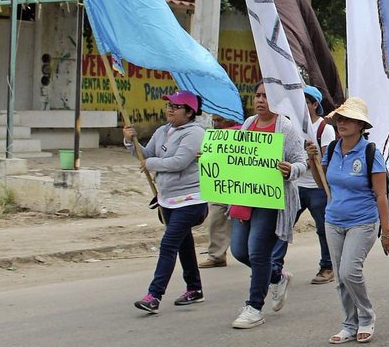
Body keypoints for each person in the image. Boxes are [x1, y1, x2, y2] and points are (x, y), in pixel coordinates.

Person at [228, 83, 308, 329]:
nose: (260, 100)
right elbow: (236, 156)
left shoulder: (285, 127)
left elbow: (301, 161)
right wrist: (211, 157)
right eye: (257, 95)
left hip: (271, 201)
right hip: (246, 198)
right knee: (239, 251)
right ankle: (276, 276)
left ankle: (254, 307)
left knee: (257, 252)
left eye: (266, 96)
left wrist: (290, 169)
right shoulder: (248, 124)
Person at [320, 97, 389, 344]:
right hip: (333, 221)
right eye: (340, 119)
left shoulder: (371, 153)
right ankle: (349, 324)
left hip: (363, 221)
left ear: (361, 125)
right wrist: (312, 160)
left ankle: (366, 317)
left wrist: (386, 232)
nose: (342, 123)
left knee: (349, 271)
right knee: (340, 278)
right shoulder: (332, 149)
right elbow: (325, 182)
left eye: (348, 119)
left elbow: (381, 195)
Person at [127, 91, 208, 313]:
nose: (170, 109)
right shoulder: (163, 131)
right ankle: (195, 288)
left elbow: (179, 162)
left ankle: (154, 295)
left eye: (176, 106)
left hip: (190, 201)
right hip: (167, 200)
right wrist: (130, 140)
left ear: (189, 112)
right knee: (184, 244)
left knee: (169, 244)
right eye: (169, 105)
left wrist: (151, 163)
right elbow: (145, 155)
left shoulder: (195, 133)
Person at [271, 86, 336, 285]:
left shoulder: (324, 129)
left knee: (323, 228)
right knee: (283, 225)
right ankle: (274, 267)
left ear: (315, 104)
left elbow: (327, 160)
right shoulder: (291, 127)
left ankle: (327, 266)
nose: (300, 106)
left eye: (305, 102)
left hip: (317, 188)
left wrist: (306, 161)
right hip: (295, 186)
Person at [199, 113, 240, 269]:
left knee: (244, 221)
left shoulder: (244, 133)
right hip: (220, 184)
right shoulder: (213, 137)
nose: (216, 124)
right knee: (216, 219)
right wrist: (204, 157)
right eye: (214, 120)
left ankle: (255, 253)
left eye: (219, 120)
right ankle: (216, 256)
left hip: (240, 185)